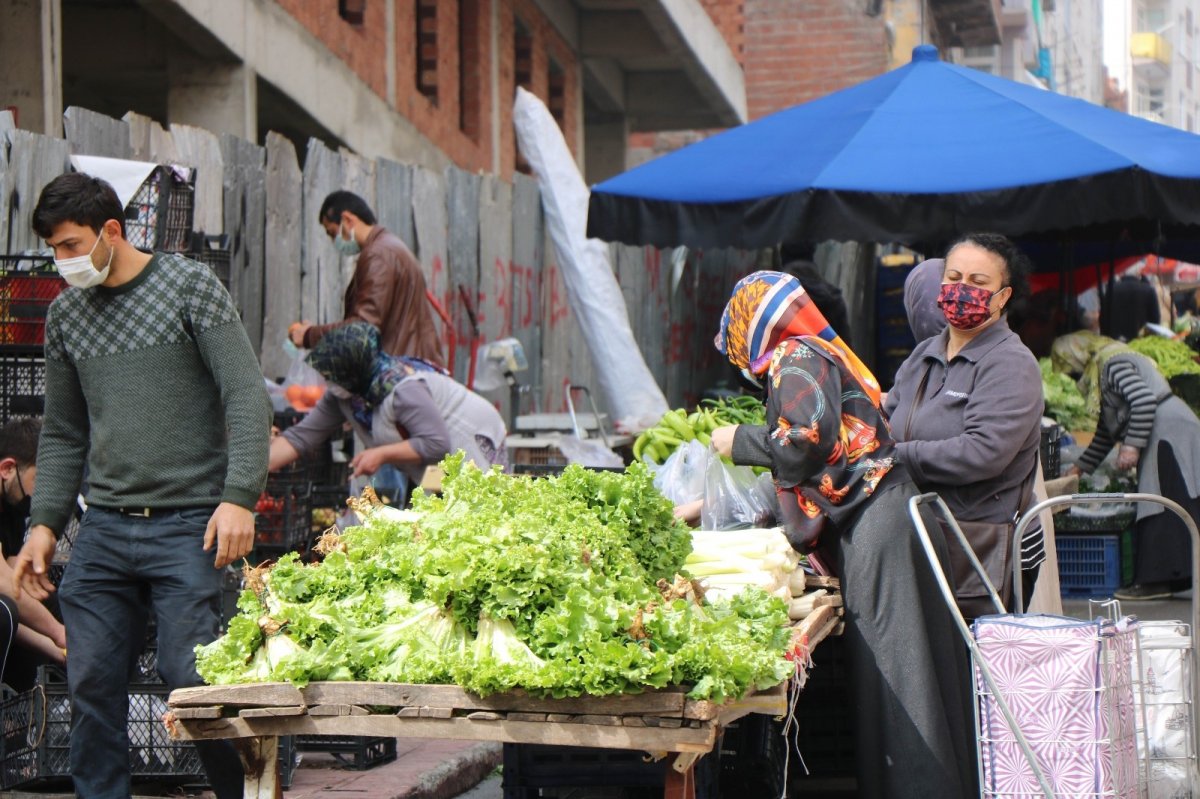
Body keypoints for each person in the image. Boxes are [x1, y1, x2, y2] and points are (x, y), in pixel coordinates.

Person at [13, 172, 270, 798]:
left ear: (112, 231)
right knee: (92, 679)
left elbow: (245, 396)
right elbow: (64, 432)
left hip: (190, 523)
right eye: (54, 249)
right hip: (103, 527)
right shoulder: (66, 314)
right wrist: (43, 525)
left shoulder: (187, 287)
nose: (63, 261)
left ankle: (246, 793)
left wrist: (239, 496)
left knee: (193, 677)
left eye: (73, 245)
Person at [709, 271, 976, 798]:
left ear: (754, 326)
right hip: (889, 513)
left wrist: (737, 439)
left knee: (898, 681)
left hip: (877, 523)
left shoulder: (795, 357)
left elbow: (809, 439)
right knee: (919, 669)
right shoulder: (814, 352)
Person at [885, 233, 1045, 611]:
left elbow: (983, 452)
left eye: (978, 282)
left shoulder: (1010, 363)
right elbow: (888, 418)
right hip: (926, 534)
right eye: (953, 277)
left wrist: (897, 456)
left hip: (979, 544)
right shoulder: (924, 355)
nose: (961, 289)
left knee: (968, 665)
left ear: (1003, 296)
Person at [1053, 330, 1200, 600]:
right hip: (1162, 431)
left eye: (1069, 368)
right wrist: (1079, 469)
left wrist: (1131, 446)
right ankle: (1177, 578)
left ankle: (1158, 581)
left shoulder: (1114, 363)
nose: (1073, 376)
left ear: (1076, 355)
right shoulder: (1105, 370)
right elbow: (1106, 433)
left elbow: (1143, 401)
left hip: (1167, 432)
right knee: (1172, 501)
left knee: (1160, 504)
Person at [270, 322, 507, 490]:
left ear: (353, 373)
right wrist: (250, 473)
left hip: (468, 438)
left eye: (332, 375)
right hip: (434, 464)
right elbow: (301, 437)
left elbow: (436, 443)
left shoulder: (404, 389)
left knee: (474, 508)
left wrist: (380, 454)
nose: (327, 381)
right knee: (438, 501)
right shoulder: (344, 394)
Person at [289, 190, 444, 366]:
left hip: (399, 373)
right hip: (410, 366)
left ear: (347, 220)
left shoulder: (378, 256)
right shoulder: (390, 247)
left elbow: (362, 329)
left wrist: (310, 335)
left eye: (332, 233)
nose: (334, 242)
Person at [0, 418, 67, 691]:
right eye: (37, 481)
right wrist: (59, 633)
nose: (39, 495)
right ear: (7, 468)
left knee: (43, 597)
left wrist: (59, 650)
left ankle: (18, 724)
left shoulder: (12, 513)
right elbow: (5, 585)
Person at [779, 242, 853, 348]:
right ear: (812, 254)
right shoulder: (833, 298)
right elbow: (846, 351)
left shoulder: (775, 299)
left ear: (782, 257)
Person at [1103, 264, 1160, 342]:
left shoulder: (1111, 290)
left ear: (1122, 273)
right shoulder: (1149, 290)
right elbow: (1155, 320)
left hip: (1116, 343)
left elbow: (1104, 318)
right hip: (1142, 342)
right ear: (1138, 272)